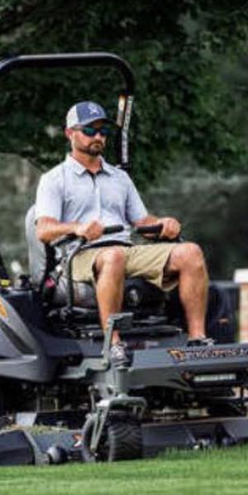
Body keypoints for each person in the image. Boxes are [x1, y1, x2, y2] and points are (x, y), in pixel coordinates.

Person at [34, 100, 215, 367]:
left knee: (190, 252)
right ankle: (114, 343)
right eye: (90, 130)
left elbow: (141, 222)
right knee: (114, 257)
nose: (98, 137)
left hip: (124, 249)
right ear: (70, 133)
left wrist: (162, 224)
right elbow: (44, 229)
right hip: (80, 254)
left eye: (103, 132)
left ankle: (198, 339)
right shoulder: (54, 179)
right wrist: (78, 227)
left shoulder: (119, 178)